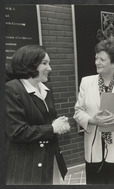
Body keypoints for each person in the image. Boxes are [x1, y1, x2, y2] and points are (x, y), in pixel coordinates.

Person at [73, 38, 114, 184]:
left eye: (102, 59)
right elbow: (78, 111)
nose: (97, 62)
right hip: (93, 147)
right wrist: (91, 120)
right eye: (96, 58)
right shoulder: (86, 82)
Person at [5, 45, 70, 185]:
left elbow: (46, 120)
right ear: (30, 64)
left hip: (49, 159)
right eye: (45, 63)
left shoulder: (45, 88)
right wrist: (52, 128)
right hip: (27, 166)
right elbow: (16, 132)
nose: (50, 68)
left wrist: (59, 123)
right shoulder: (11, 89)